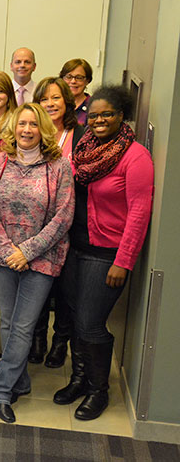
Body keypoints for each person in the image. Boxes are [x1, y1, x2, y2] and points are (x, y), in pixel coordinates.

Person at [55, 86, 153, 421]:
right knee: (71, 316)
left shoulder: (135, 156)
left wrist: (123, 261)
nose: (98, 120)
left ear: (121, 115)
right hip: (74, 247)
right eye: (93, 115)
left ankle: (99, 390)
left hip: (106, 253)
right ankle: (79, 379)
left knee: (90, 323)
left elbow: (139, 212)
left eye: (106, 114)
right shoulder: (85, 147)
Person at [0, 103, 75, 424]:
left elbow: (63, 217)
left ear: (43, 130)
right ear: (13, 128)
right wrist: (8, 250)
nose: (26, 130)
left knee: (23, 325)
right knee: (8, 322)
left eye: (33, 125)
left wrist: (28, 251)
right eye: (22, 124)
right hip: (3, 256)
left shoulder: (60, 166)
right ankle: (20, 380)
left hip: (43, 259)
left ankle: (0, 390)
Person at [28, 77, 84, 367]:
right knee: (37, 283)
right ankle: (37, 337)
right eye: (44, 99)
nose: (50, 104)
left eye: (56, 98)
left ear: (67, 101)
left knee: (65, 287)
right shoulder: (31, 133)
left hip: (72, 224)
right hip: (36, 225)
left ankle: (60, 340)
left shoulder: (81, 135)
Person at [59, 58, 93, 125]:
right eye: (69, 77)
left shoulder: (93, 107)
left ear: (87, 80)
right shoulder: (56, 105)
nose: (73, 81)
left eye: (79, 77)